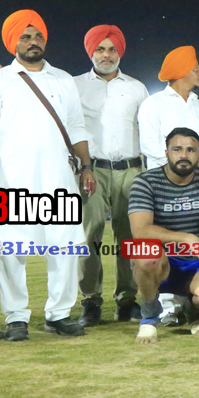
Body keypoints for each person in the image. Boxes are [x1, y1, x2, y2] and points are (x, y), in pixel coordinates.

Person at [0, 9, 95, 340]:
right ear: (13, 42)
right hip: (11, 178)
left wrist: (87, 166)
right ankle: (16, 317)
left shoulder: (63, 79)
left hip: (58, 176)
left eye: (38, 36)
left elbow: (76, 126)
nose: (33, 41)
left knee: (64, 247)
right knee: (12, 248)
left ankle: (59, 314)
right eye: (25, 37)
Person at [74, 24, 150, 326]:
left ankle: (127, 300)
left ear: (120, 53)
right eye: (100, 49)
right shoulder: (76, 86)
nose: (106, 55)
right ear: (90, 52)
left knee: (129, 237)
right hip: (92, 170)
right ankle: (90, 301)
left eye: (112, 49)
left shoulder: (136, 87)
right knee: (88, 236)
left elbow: (147, 129)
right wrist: (82, 166)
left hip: (132, 170)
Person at [127, 128, 199, 343]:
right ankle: (149, 315)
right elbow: (140, 231)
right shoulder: (146, 181)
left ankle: (192, 311)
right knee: (146, 256)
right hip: (160, 262)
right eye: (177, 149)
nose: (184, 155)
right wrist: (187, 238)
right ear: (166, 152)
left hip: (196, 261)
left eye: (191, 150)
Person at [137, 46, 199, 173]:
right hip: (164, 178)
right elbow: (149, 146)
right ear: (182, 71)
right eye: (195, 69)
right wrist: (188, 165)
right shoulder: (153, 104)